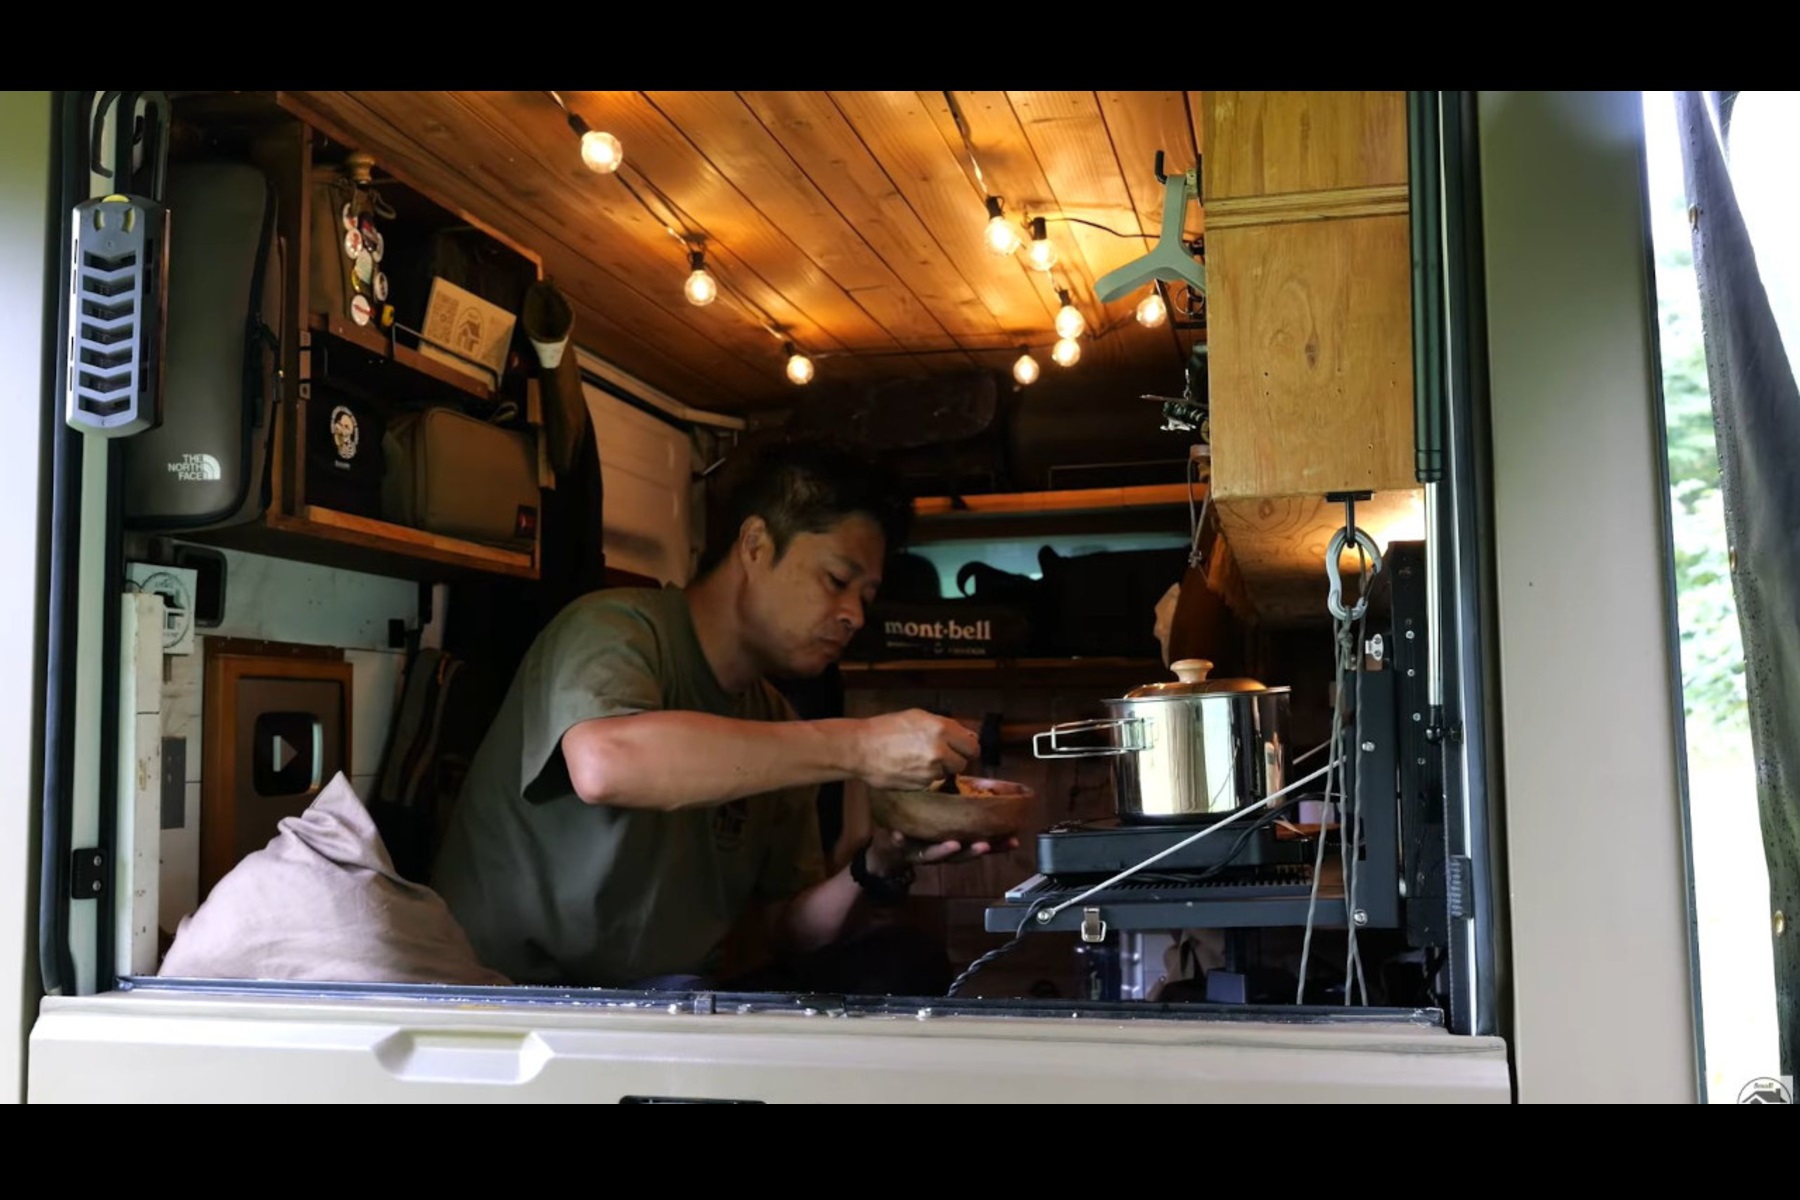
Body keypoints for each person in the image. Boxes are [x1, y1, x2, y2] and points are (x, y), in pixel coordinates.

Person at [431, 436, 1013, 995]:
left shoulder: (777, 721)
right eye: (837, 580)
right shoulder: (615, 629)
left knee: (902, 965)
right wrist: (859, 745)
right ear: (755, 544)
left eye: (865, 595)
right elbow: (606, 764)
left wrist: (879, 860)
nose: (855, 616)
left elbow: (790, 930)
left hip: (669, 1003)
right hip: (514, 999)